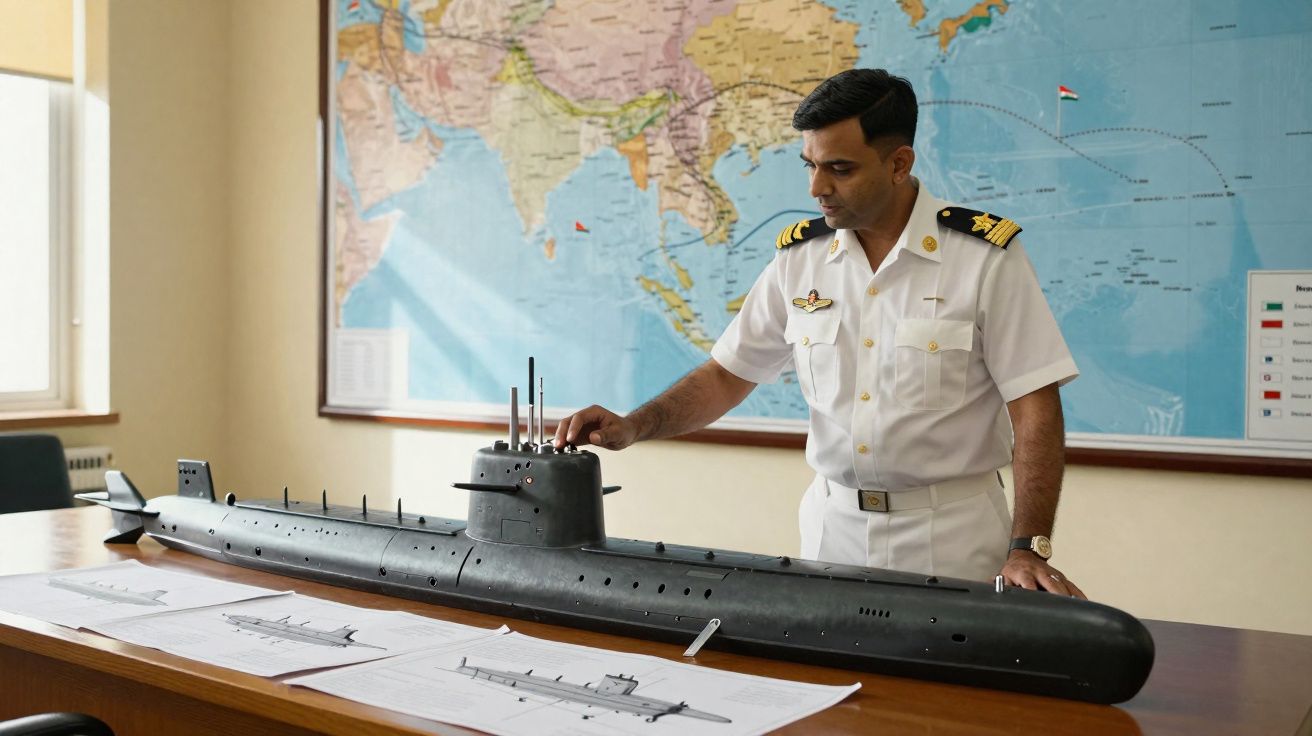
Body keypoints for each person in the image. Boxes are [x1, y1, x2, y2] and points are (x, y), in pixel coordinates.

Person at [555, 69, 1085, 597]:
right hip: (833, 532)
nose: (816, 188)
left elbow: (1034, 405)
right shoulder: (800, 259)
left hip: (952, 535)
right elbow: (726, 376)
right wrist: (633, 426)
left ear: (899, 163)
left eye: (839, 168)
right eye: (809, 165)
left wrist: (1028, 546)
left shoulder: (983, 258)